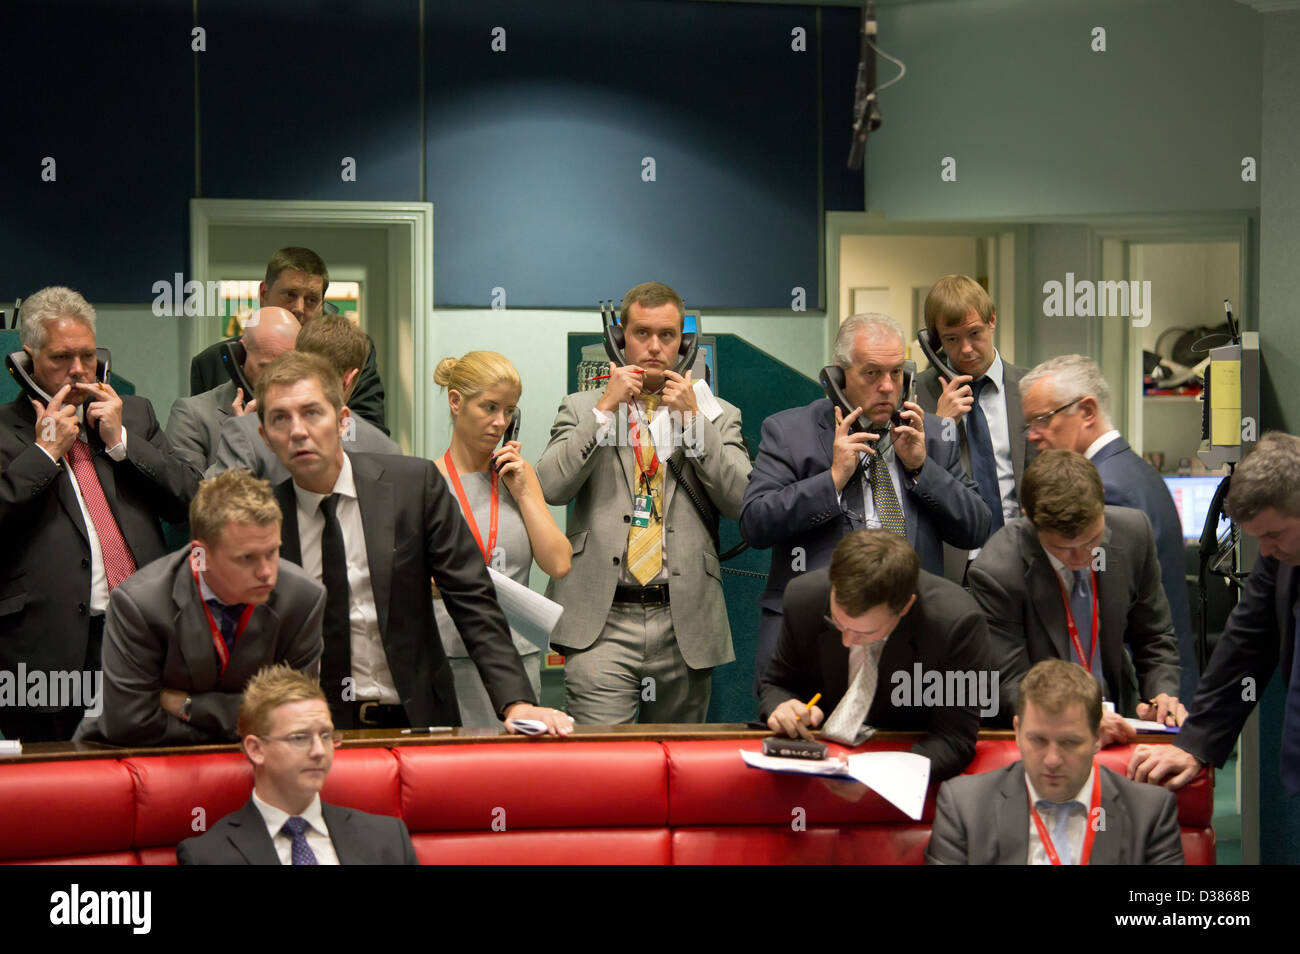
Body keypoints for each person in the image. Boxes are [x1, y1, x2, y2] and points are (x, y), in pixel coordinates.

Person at [257, 352, 571, 734]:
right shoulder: (263, 519)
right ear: (264, 437)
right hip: (315, 732)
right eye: (280, 418)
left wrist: (516, 701)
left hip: (415, 718)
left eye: (311, 413)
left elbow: (472, 598)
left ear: (342, 421)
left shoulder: (411, 487)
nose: (298, 431)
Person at [536, 281, 751, 723]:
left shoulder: (716, 414)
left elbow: (740, 499)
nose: (654, 347)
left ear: (684, 344)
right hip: (602, 618)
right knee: (602, 772)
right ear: (619, 339)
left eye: (667, 335)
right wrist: (605, 410)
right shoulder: (581, 408)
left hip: (684, 618)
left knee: (675, 769)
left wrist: (693, 423)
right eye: (641, 333)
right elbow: (550, 488)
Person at [740, 313, 991, 693]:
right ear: (838, 378)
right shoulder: (790, 432)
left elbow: (976, 525)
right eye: (872, 373)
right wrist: (832, 480)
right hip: (818, 633)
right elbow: (755, 523)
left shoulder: (935, 434)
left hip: (911, 634)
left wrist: (923, 467)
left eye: (895, 373)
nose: (888, 387)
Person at [0, 286, 197, 742]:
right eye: (61, 358)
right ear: (26, 361)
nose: (77, 371)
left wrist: (123, 441)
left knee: (142, 769)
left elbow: (191, 500)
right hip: (44, 651)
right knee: (52, 789)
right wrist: (44, 453)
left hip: (141, 635)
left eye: (87, 356)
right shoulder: (5, 433)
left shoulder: (136, 415)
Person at [75, 470, 324, 746]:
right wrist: (249, 722)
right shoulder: (139, 604)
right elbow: (129, 723)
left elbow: (295, 717)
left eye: (272, 552)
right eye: (247, 558)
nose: (266, 572)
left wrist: (188, 706)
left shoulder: (303, 598)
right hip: (134, 761)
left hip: (253, 762)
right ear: (200, 555)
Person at [967, 450, 1184, 742]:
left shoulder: (1133, 534)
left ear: (1102, 500)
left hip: (1119, 716)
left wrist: (1162, 695)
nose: (1083, 557)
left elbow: (1155, 637)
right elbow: (1007, 685)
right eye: (1064, 549)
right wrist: (1081, 717)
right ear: (1030, 521)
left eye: (1093, 540)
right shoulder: (998, 572)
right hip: (1043, 735)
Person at [1130, 432, 1300, 792]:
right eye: (1259, 539)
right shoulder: (1281, 554)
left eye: (1275, 535)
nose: (1266, 551)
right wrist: (1196, 743)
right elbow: (1247, 641)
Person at [1021, 354, 1197, 701]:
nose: (1032, 436)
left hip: (1139, 699)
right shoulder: (1136, 471)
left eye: (1042, 419)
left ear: (1087, 411)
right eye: (1029, 423)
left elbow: (1107, 614)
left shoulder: (1105, 489)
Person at [759, 530, 992, 782]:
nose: (847, 640)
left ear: (905, 607)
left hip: (908, 773)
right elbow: (777, 684)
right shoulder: (805, 597)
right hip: (818, 765)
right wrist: (783, 707)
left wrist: (881, 776)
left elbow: (954, 739)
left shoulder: (956, 624)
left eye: (866, 632)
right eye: (837, 622)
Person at [925, 659, 1184, 865]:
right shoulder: (964, 806)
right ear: (1017, 731)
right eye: (1037, 740)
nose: (1052, 760)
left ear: (1097, 737)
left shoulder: (1148, 813)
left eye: (1070, 743)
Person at [432, 352, 571, 725]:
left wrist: (523, 491)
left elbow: (558, 563)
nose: (499, 422)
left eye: (509, 411)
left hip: (517, 657)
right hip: (450, 654)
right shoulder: (427, 481)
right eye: (489, 407)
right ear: (456, 401)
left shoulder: (517, 476)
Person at [177, 664, 418, 864]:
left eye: (326, 736)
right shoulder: (207, 856)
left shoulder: (387, 839)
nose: (318, 751)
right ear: (256, 749)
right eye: (299, 738)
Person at [189, 247, 389, 434]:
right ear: (264, 294)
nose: (299, 308)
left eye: (311, 299)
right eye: (290, 295)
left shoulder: (350, 352)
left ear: (322, 304)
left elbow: (372, 431)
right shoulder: (212, 362)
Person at [914, 275, 1036, 580]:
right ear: (935, 340)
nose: (967, 349)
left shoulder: (1031, 388)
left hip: (1025, 558)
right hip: (956, 565)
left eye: (975, 333)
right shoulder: (917, 395)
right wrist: (939, 427)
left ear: (992, 320)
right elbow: (910, 481)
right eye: (952, 339)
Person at [206, 313, 399, 482]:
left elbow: (218, 509)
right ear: (350, 378)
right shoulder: (386, 449)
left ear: (294, 357)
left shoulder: (246, 432)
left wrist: (247, 432)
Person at [165, 306, 299, 476]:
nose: (277, 380)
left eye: (287, 367)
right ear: (239, 355)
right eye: (266, 368)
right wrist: (239, 446)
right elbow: (190, 496)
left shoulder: (309, 414)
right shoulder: (191, 415)